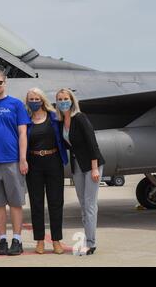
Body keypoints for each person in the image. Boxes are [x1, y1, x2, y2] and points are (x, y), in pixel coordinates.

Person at [0, 66, 30, 256]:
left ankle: (17, 240)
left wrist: (23, 158)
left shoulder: (16, 104)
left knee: (16, 203)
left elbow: (23, 133)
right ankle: (2, 239)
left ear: (5, 82)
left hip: (12, 160)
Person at [55, 88, 105, 256]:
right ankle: (87, 240)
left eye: (65, 98)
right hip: (77, 166)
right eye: (60, 99)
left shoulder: (80, 118)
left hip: (92, 165)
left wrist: (94, 168)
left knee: (90, 205)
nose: (63, 101)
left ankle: (91, 243)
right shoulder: (62, 121)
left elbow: (92, 143)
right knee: (83, 205)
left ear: (72, 100)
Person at [25, 88, 68, 254]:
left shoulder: (54, 117)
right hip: (34, 163)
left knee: (56, 202)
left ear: (42, 100)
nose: (34, 101)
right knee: (36, 203)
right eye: (31, 99)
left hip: (53, 161)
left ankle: (56, 240)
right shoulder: (26, 119)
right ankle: (40, 241)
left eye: (37, 98)